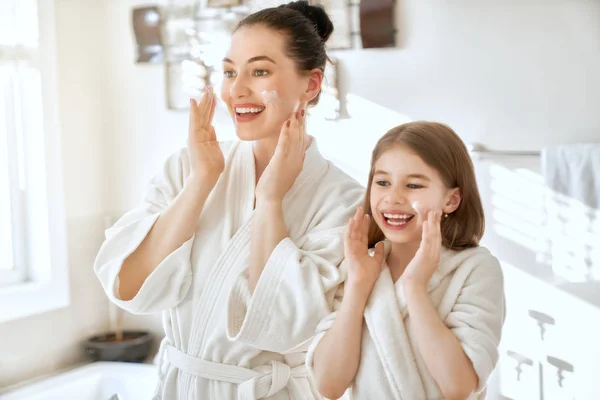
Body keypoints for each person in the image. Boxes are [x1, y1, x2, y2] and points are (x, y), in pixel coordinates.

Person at [94, 2, 364, 398]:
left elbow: (282, 324)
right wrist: (201, 181)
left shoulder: (343, 201)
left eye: (259, 71)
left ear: (310, 85)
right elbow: (131, 288)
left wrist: (270, 202)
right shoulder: (190, 167)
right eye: (229, 71)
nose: (236, 90)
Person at [307, 122, 505, 400]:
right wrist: (358, 286)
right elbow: (329, 384)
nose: (393, 197)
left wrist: (415, 286)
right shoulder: (360, 261)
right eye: (383, 182)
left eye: (413, 185)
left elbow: (459, 385)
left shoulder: (475, 269)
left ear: (451, 200)